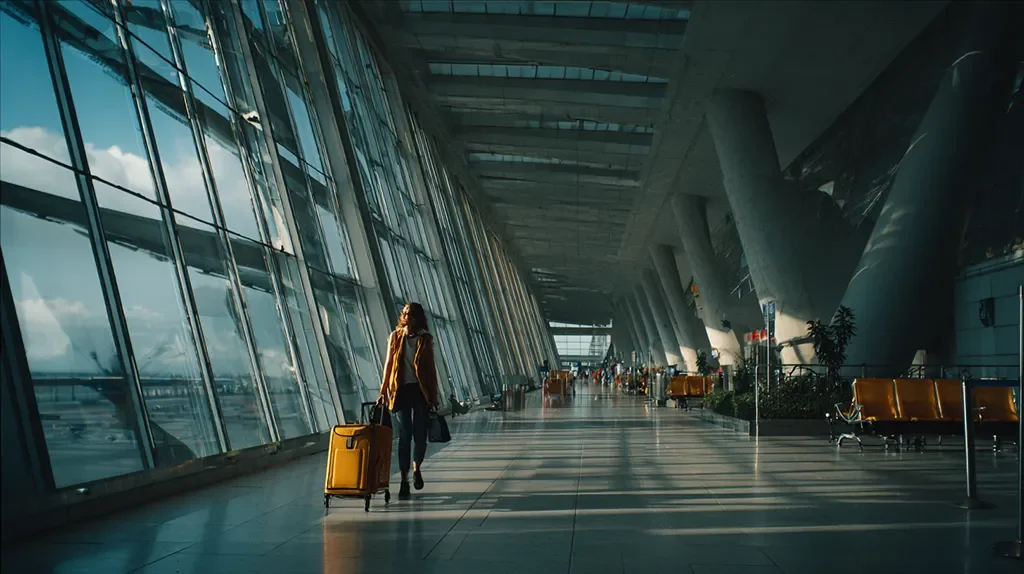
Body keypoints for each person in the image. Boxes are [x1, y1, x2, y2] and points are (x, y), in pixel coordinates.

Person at [377, 302, 439, 499]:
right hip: (401, 390)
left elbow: (430, 369)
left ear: (418, 318)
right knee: (405, 435)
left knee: (420, 434)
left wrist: (434, 396)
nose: (407, 318)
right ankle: (404, 479)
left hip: (420, 391)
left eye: (411, 315)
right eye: (405, 314)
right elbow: (388, 364)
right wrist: (383, 390)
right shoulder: (395, 337)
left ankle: (416, 468)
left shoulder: (425, 339)